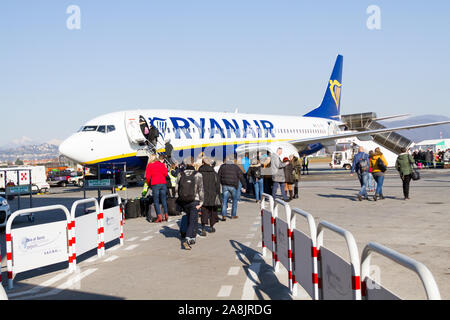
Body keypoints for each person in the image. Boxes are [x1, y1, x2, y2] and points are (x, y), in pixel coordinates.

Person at [176, 157, 204, 250]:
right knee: (193, 220)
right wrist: (201, 202)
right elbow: (201, 189)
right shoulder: (198, 174)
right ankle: (187, 239)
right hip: (194, 200)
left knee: (187, 217)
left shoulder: (180, 174)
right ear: (193, 163)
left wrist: (178, 199)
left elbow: (177, 188)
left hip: (183, 200)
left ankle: (192, 237)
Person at [198, 157, 221, 236]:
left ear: (202, 163)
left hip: (202, 195)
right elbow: (217, 185)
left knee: (204, 211)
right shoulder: (214, 173)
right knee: (212, 211)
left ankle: (203, 228)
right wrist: (218, 193)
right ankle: (211, 227)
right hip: (212, 194)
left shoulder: (199, 173)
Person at [146, 154, 169, 222]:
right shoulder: (161, 164)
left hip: (155, 184)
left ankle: (159, 217)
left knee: (156, 201)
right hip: (163, 183)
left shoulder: (149, 165)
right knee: (163, 200)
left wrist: (148, 184)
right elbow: (165, 174)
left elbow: (148, 176)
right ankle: (166, 215)